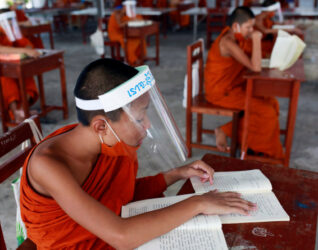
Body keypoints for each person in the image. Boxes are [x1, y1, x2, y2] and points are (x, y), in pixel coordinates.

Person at [20, 58, 256, 249]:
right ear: (101, 126)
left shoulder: (106, 141)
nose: (148, 125)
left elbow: (121, 196)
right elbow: (122, 237)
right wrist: (199, 203)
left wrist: (175, 174)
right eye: (140, 118)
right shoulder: (49, 166)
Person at [204, 6, 284, 160]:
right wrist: (256, 39)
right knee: (266, 112)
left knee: (272, 102)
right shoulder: (227, 42)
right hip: (220, 92)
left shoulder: (237, 37)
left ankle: (230, 132)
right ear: (236, 26)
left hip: (235, 86)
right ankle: (262, 151)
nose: (251, 30)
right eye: (248, 27)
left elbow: (251, 59)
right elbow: (255, 66)